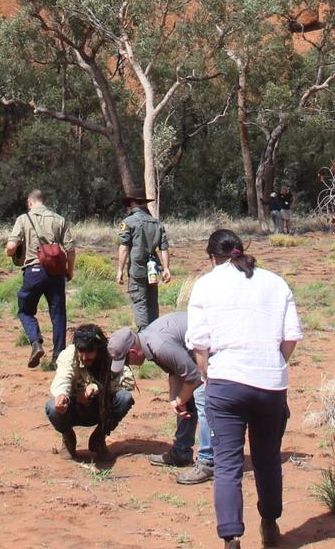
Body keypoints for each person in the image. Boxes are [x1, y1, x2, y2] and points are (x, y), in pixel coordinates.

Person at [186, 229, 303, 549]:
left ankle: (231, 537)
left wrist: (208, 374)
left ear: (213, 257)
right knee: (267, 458)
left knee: (227, 464)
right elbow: (290, 336)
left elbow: (199, 342)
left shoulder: (206, 284)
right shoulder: (276, 282)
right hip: (270, 384)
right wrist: (274, 363)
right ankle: (270, 522)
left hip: (226, 383)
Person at [107, 313, 215, 484]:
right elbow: (175, 370)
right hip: (197, 355)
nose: (129, 366)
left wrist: (180, 398)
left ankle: (208, 461)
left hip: (213, 349)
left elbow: (194, 376)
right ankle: (181, 452)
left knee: (202, 396)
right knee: (186, 399)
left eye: (126, 361)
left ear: (133, 352)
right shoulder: (148, 342)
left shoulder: (159, 346)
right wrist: (175, 398)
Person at [6, 189, 76, 368]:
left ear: (30, 202)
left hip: (33, 271)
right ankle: (58, 356)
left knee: (25, 311)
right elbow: (70, 249)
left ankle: (36, 342)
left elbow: (12, 246)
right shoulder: (59, 219)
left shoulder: (23, 219)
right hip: (56, 274)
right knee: (58, 315)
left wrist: (8, 251)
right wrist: (70, 270)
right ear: (43, 201)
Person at [45, 324, 135, 461]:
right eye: (82, 351)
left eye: (90, 352)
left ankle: (99, 438)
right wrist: (65, 396)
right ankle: (68, 438)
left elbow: (128, 381)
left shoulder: (110, 354)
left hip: (101, 408)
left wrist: (98, 388)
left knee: (125, 398)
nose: (85, 356)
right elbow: (63, 377)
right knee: (52, 407)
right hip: (74, 408)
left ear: (98, 348)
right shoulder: (69, 355)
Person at [115, 193, 172, 329]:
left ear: (134, 203)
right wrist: (166, 268)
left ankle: (144, 336)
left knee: (139, 301)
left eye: (130, 203)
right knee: (152, 302)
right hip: (153, 269)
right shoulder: (157, 222)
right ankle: (154, 334)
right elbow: (164, 248)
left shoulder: (128, 222)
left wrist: (120, 270)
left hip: (137, 269)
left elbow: (124, 248)